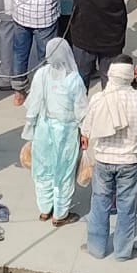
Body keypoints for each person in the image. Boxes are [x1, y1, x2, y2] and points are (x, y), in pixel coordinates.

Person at [81, 57, 137, 260]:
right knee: (127, 207)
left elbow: (86, 130)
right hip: (129, 161)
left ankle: (96, 248)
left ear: (111, 74)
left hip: (103, 160)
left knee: (99, 204)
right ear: (132, 75)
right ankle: (123, 252)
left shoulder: (98, 99)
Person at [21, 37, 87, 227]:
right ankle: (60, 214)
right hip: (65, 131)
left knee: (42, 169)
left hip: (43, 128)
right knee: (63, 173)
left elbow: (33, 103)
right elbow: (81, 110)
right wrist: (85, 132)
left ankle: (44, 209)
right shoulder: (74, 79)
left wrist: (30, 127)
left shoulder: (42, 74)